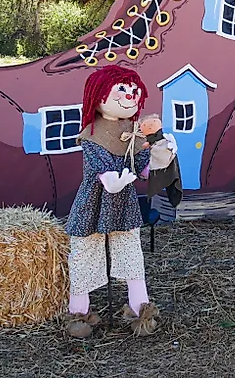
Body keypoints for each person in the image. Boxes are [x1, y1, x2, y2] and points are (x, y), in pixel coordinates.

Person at [63, 65, 176, 337]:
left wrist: (162, 155)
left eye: (134, 91)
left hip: (124, 205)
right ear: (98, 96)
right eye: (122, 90)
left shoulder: (134, 132)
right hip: (93, 204)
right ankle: (78, 313)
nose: (130, 96)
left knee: (131, 255)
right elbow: (100, 169)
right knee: (84, 255)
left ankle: (141, 311)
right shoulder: (92, 133)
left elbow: (143, 169)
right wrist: (111, 179)